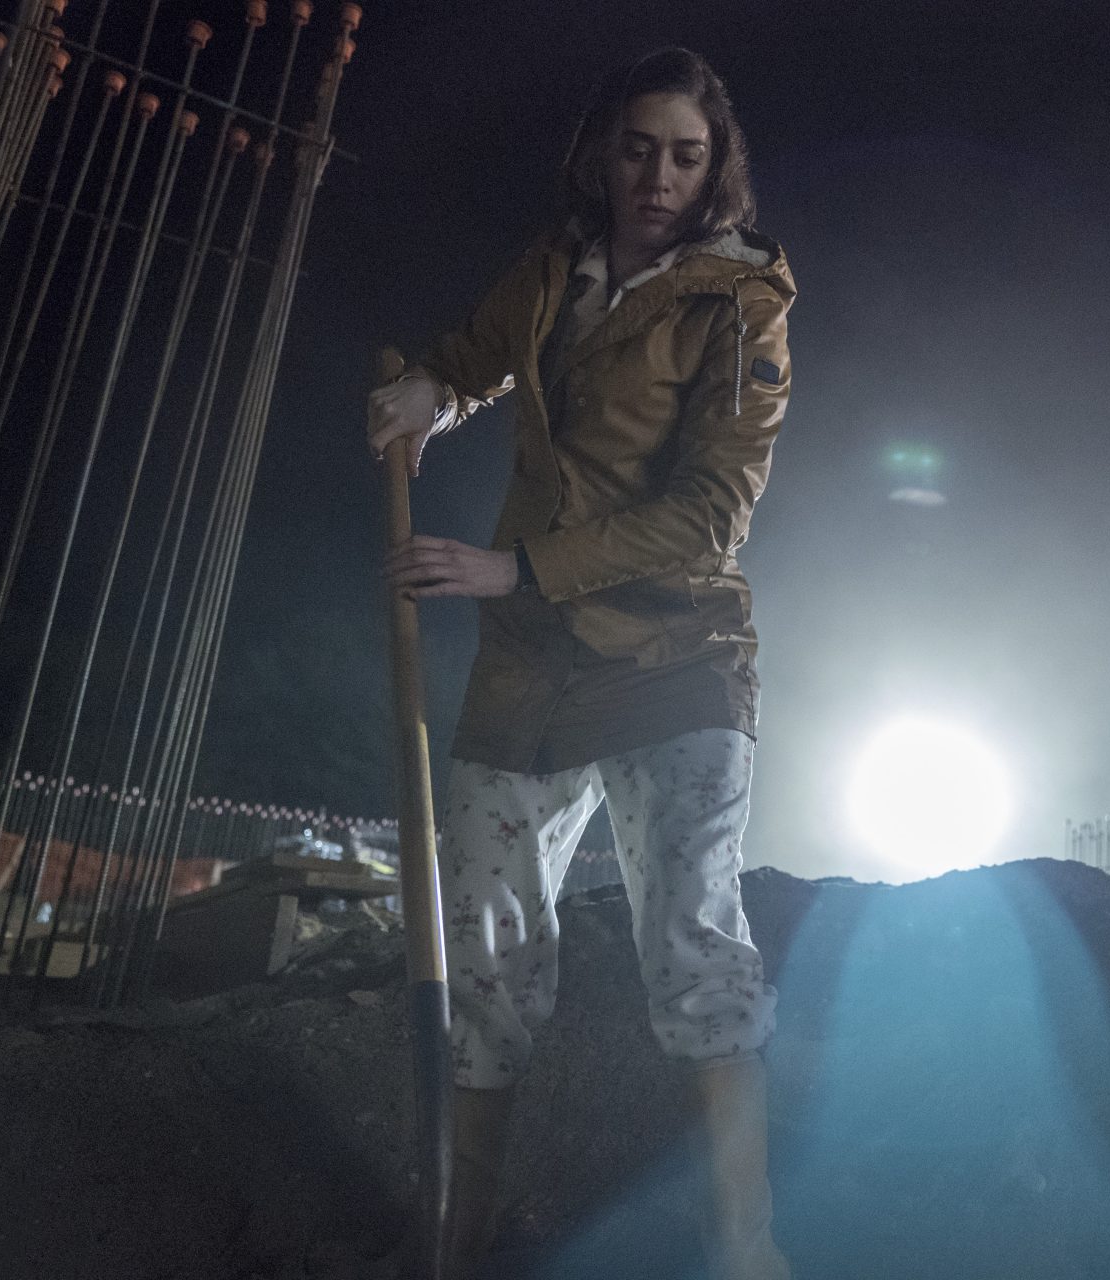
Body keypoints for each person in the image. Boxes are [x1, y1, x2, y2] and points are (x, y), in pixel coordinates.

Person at [366, 47, 794, 1280]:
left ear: (715, 170)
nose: (658, 177)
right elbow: (473, 353)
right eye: (638, 149)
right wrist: (430, 393)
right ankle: (454, 1242)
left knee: (694, 946)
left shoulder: (743, 305)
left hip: (673, 657)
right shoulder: (555, 271)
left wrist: (515, 568)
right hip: (528, 676)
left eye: (686, 156)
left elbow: (711, 513)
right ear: (601, 153)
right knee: (484, 958)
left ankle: (746, 1248)